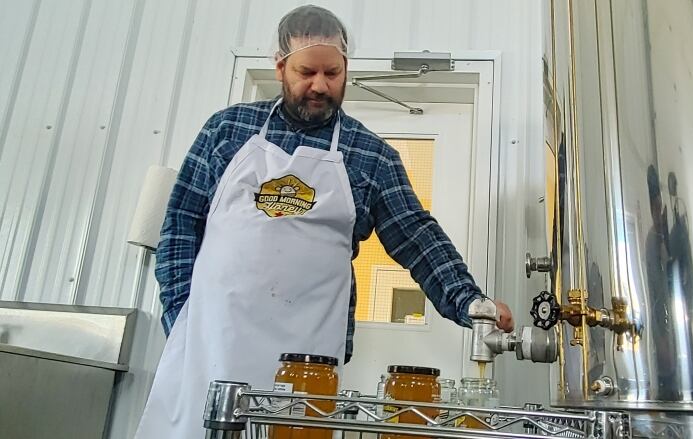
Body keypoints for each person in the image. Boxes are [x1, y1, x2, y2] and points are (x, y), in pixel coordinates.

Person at [134, 5, 513, 438]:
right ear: (280, 67)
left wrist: (470, 301)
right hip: (207, 348)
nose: (320, 85)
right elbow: (180, 224)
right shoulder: (227, 130)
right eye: (306, 72)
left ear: (346, 68)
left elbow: (415, 235)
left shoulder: (369, 155)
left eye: (332, 73)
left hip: (306, 364)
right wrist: (182, 318)